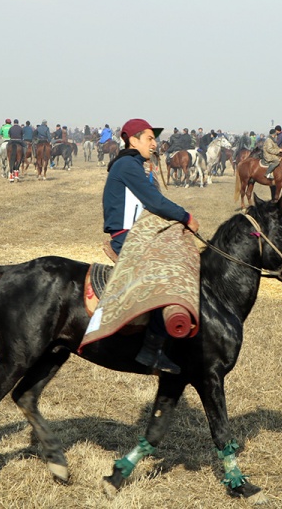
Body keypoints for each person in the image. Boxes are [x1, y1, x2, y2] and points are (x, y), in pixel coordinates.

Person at [103, 118, 200, 374]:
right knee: (162, 275)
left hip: (138, 231)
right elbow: (155, 201)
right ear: (133, 140)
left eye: (155, 139)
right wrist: (185, 216)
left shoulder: (136, 165)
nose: (155, 143)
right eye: (150, 138)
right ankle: (151, 349)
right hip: (127, 236)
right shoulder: (126, 164)